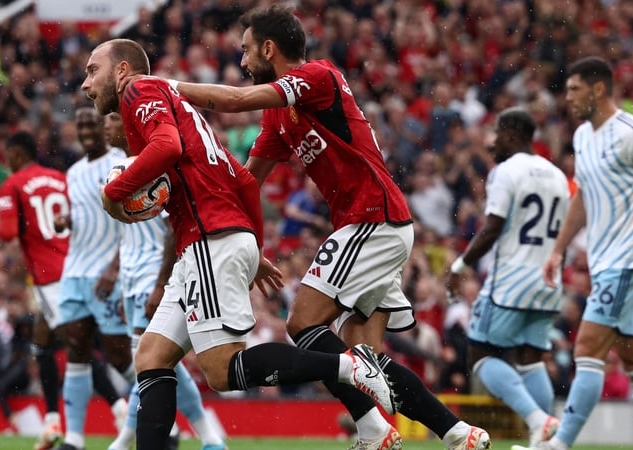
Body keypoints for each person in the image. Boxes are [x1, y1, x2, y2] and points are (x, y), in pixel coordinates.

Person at [170, 5, 490, 450]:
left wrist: (167, 89)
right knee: (364, 355)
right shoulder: (278, 117)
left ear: (269, 48)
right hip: (372, 225)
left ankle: (374, 428)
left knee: (303, 325)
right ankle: (456, 434)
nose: (242, 63)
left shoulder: (318, 76)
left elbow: (237, 101)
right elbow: (248, 182)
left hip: (374, 217)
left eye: (245, 52)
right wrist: (245, 244)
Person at [84, 38, 394, 450]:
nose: (86, 84)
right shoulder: (181, 111)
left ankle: (348, 366)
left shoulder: (141, 89)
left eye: (92, 71)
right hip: (210, 242)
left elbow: (166, 147)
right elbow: (244, 180)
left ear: (122, 70)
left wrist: (113, 192)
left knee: (222, 370)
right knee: (152, 356)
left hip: (211, 241)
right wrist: (254, 248)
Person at [527, 56, 633, 450]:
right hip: (604, 265)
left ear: (598, 89)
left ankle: (559, 443)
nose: (566, 97)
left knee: (586, 347)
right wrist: (558, 251)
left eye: (574, 89)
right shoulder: (584, 136)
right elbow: (582, 197)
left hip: (629, 262)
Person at [0, 130, 130, 450]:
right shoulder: (61, 177)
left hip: (50, 278)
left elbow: (6, 233)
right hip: (80, 265)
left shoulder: (11, 186)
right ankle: (52, 422)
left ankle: (119, 408)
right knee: (43, 344)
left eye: (8, 154)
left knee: (77, 345)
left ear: (16, 154)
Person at [102, 112, 226, 450]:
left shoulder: (156, 165)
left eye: (114, 119)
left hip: (152, 273)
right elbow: (125, 232)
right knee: (147, 358)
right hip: (132, 275)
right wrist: (116, 271)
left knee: (153, 357)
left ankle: (206, 435)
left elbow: (173, 230)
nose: (106, 125)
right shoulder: (119, 166)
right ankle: (205, 438)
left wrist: (160, 283)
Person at [446, 108, 568, 447]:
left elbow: (493, 227)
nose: (490, 142)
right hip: (548, 280)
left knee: (481, 355)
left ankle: (537, 420)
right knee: (531, 360)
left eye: (496, 134)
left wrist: (459, 267)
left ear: (513, 134)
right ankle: (543, 444)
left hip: (512, 280)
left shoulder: (506, 171)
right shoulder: (557, 175)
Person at [51, 108, 133, 450]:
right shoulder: (72, 172)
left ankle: (160, 414)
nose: (85, 130)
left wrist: (114, 268)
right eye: (80, 124)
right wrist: (67, 221)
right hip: (75, 271)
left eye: (91, 123)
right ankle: (74, 438)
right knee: (76, 350)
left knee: (119, 356)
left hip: (107, 274)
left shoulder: (121, 161)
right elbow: (86, 212)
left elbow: (131, 219)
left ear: (104, 126)